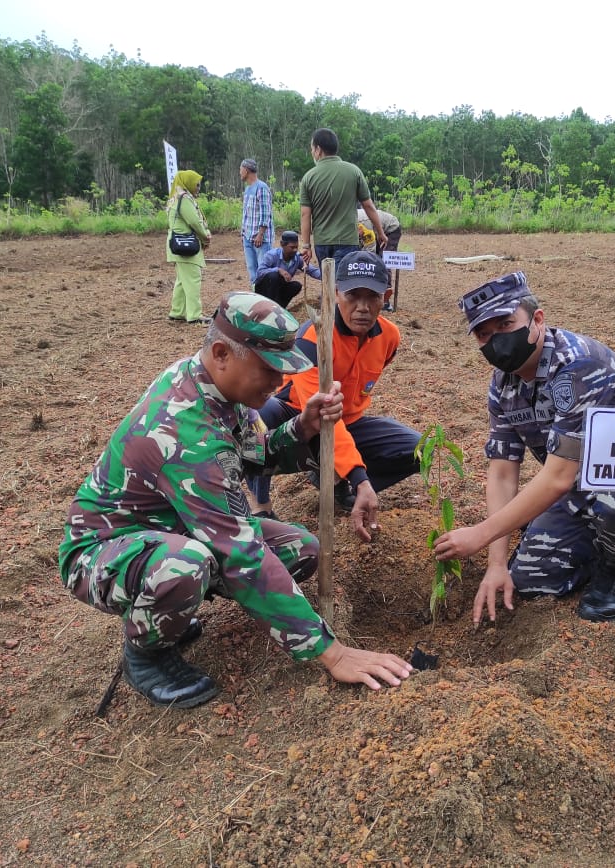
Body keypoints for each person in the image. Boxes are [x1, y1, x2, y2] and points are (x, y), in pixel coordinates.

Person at [59, 291, 413, 709]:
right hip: (105, 549)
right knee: (184, 565)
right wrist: (331, 652)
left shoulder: (217, 389)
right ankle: (146, 652)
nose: (280, 382)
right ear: (223, 353)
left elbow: (254, 454)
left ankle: (175, 603)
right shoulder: (185, 428)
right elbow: (241, 551)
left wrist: (303, 426)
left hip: (178, 527)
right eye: (269, 369)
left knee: (302, 549)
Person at [431, 272, 615, 625]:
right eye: (484, 334)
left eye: (506, 324)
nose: (497, 341)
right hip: (585, 479)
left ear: (537, 319)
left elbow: (557, 477)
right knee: (531, 579)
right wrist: (496, 563)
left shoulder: (578, 366)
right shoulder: (503, 388)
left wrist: (480, 534)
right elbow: (503, 472)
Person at [247, 251, 420, 540]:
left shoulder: (390, 336)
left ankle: (337, 482)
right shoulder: (312, 338)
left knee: (419, 449)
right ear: (337, 293)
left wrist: (357, 478)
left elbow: (347, 410)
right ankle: (260, 505)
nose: (362, 307)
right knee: (260, 419)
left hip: (349, 422)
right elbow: (323, 411)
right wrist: (360, 476)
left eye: (372, 296)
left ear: (386, 296)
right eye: (353, 295)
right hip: (300, 418)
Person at [299, 128, 386, 268]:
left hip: (322, 242)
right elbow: (368, 206)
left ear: (318, 149)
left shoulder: (309, 177)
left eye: (312, 148)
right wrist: (381, 233)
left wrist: (306, 245)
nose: (311, 152)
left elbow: (305, 214)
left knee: (328, 282)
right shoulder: (354, 171)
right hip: (348, 241)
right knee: (344, 283)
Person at [166, 170, 212, 325]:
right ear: (188, 183)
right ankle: (194, 315)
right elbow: (194, 222)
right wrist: (205, 236)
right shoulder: (185, 199)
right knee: (193, 279)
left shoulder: (175, 198)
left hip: (176, 243)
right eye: (196, 184)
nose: (198, 187)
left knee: (182, 280)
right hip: (186, 245)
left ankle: (177, 311)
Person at [254, 230, 320, 308]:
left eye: (296, 247)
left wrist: (330, 277)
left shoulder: (297, 258)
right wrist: (278, 270)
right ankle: (268, 308)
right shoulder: (272, 255)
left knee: (296, 286)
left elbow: (313, 271)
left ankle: (280, 308)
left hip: (279, 289)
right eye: (292, 247)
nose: (295, 250)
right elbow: (259, 272)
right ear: (282, 244)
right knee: (274, 276)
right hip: (264, 290)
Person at [240, 158, 274, 286]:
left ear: (247, 170)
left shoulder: (262, 188)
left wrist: (260, 234)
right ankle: (256, 300)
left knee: (263, 272)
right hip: (248, 237)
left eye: (241, 169)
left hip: (261, 239)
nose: (240, 172)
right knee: (252, 272)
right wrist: (243, 233)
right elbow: (246, 214)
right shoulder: (248, 189)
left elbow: (266, 213)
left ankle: (266, 301)